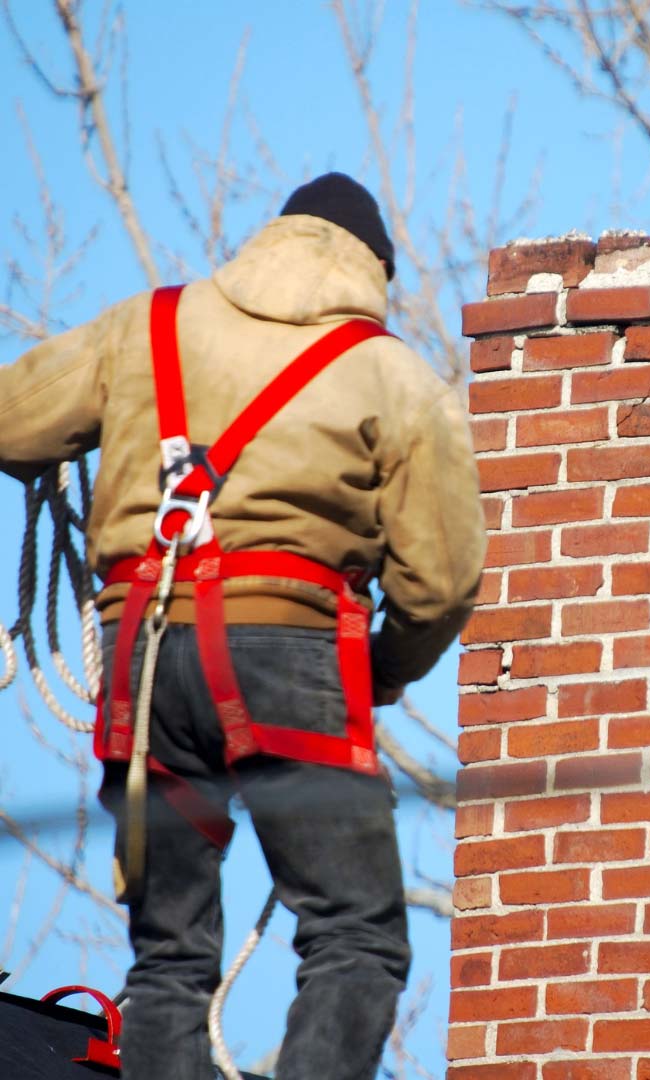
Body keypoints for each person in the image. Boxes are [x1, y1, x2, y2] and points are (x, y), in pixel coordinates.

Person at [0, 173, 486, 1080]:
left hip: (142, 665)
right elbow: (442, 583)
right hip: (289, 660)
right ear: (373, 270)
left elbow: (9, 421)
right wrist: (381, 671)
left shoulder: (143, 327)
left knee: (169, 958)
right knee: (355, 935)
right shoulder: (391, 372)